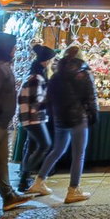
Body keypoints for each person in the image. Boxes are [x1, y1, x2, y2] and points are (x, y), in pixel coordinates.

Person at [28, 46, 99, 203]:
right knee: (78, 154)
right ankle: (73, 189)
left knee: (57, 149)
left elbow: (48, 97)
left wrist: (44, 109)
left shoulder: (57, 74)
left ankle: (39, 182)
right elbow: (91, 96)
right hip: (78, 117)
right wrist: (94, 114)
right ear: (81, 57)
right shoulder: (84, 74)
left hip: (60, 117)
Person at [0, 32, 32, 211]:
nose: (15, 49)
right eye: (13, 46)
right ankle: (8, 195)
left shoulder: (1, 65)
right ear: (6, 47)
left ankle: (8, 196)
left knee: (1, 161)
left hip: (0, 123)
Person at [17, 44, 56, 192]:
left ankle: (24, 179)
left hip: (31, 117)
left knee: (31, 146)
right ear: (45, 61)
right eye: (51, 60)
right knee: (45, 145)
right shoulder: (37, 78)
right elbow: (36, 101)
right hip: (34, 118)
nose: (52, 63)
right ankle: (26, 175)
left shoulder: (34, 76)